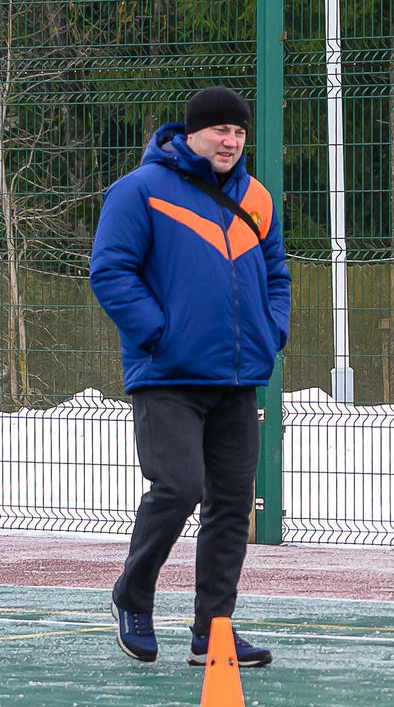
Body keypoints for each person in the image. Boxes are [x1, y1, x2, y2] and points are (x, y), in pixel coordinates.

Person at [90, 85, 290, 667]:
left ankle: (214, 632)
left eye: (239, 132)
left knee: (231, 506)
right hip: (167, 377)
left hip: (237, 378)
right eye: (220, 131)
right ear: (191, 133)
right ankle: (132, 597)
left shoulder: (258, 200)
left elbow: (278, 274)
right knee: (179, 487)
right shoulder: (140, 191)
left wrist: (270, 331)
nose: (230, 141)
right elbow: (110, 271)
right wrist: (159, 334)